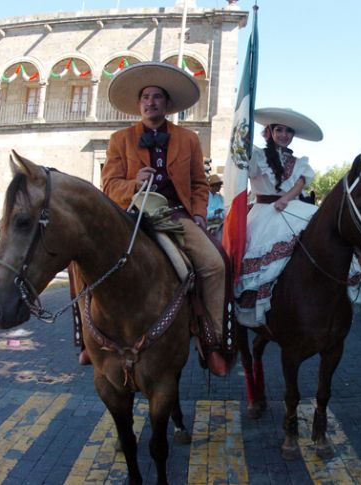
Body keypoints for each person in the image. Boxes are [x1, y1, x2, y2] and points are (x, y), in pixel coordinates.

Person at [99, 61, 230, 373]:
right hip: (132, 216)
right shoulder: (121, 139)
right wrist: (133, 184)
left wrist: (198, 214)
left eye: (157, 97)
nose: (150, 102)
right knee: (84, 259)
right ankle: (90, 338)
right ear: (138, 103)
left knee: (216, 265)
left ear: (167, 104)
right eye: (145, 97)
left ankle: (212, 340)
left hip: (176, 216)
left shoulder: (189, 139)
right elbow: (108, 185)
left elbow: (199, 183)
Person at [234, 107, 361, 326]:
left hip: (291, 206)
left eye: (289, 131)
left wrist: (286, 199)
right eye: (279, 130)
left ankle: (340, 288)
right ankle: (254, 302)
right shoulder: (257, 155)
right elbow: (245, 170)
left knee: (327, 233)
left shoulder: (299, 163)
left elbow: (299, 184)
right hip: (264, 212)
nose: (284, 135)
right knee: (255, 256)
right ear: (269, 132)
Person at [206, 174, 225, 240]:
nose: (219, 187)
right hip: (207, 224)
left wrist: (219, 213)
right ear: (212, 186)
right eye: (218, 185)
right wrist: (214, 212)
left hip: (218, 224)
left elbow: (223, 211)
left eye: (220, 185)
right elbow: (205, 213)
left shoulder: (220, 197)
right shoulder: (205, 196)